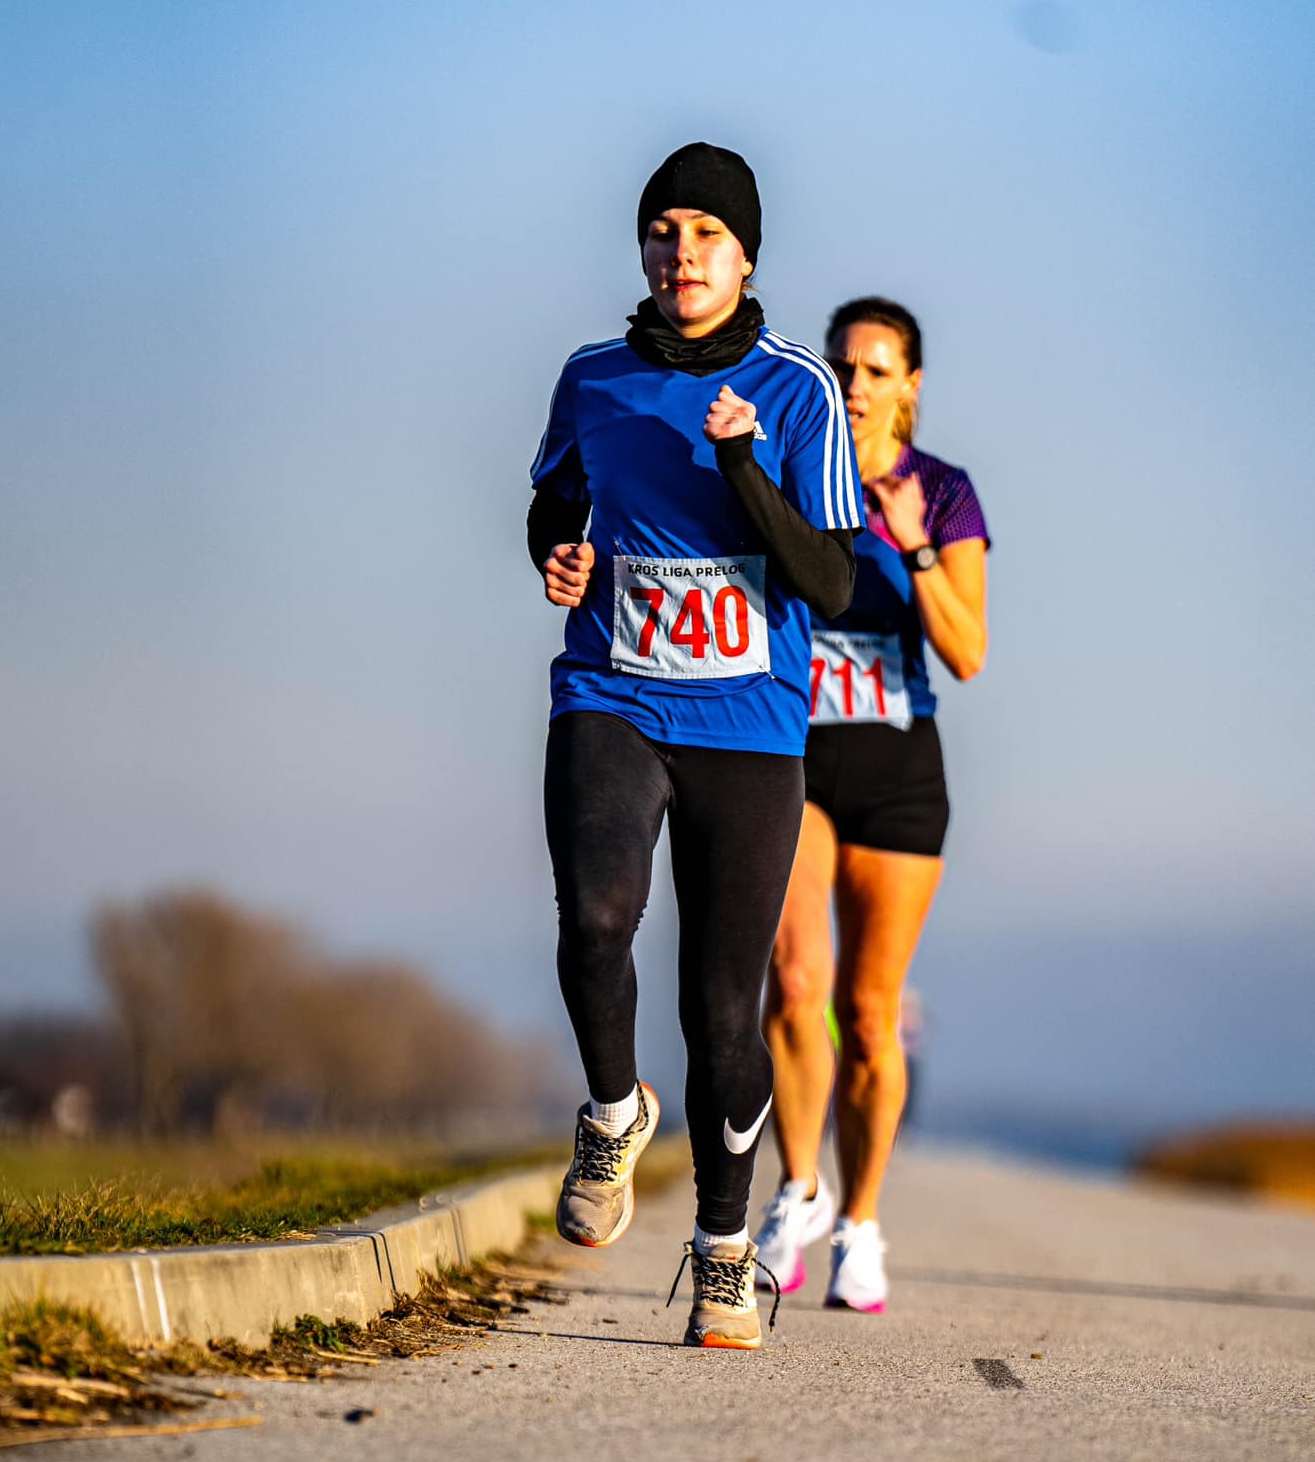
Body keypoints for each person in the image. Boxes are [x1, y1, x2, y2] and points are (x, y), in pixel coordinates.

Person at [528, 143, 863, 1349]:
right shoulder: (593, 377)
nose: (682, 253)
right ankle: (612, 1112)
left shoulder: (797, 390)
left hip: (747, 725)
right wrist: (558, 554)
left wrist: (740, 461)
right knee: (593, 918)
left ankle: (724, 1251)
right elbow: (555, 502)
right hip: (611, 691)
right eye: (663, 231)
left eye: (707, 233)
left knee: (724, 1011)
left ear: (746, 255)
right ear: (642, 249)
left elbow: (829, 580)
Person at [753, 297, 990, 1312]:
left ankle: (860, 1223)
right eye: (842, 367)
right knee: (795, 980)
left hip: (898, 768)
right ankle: (797, 1190)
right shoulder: (791, 469)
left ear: (910, 386)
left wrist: (914, 542)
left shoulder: (944, 491)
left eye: (875, 370)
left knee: (868, 1011)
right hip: (794, 757)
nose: (854, 386)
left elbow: (967, 651)